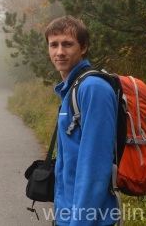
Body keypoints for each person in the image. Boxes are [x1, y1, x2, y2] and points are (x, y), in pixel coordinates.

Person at [45, 16, 118, 226]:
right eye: (54, 45)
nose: (60, 52)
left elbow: (95, 165)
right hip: (67, 212)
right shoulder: (71, 89)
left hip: (90, 219)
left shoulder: (93, 88)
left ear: (84, 47)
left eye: (68, 44)